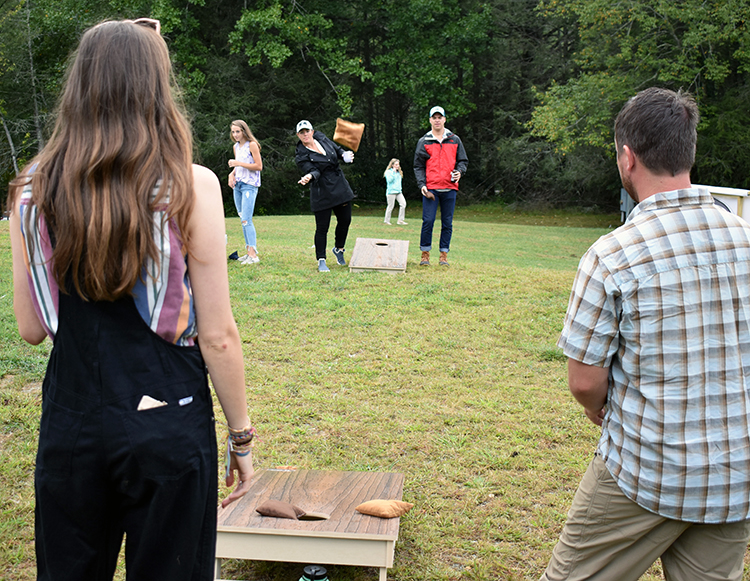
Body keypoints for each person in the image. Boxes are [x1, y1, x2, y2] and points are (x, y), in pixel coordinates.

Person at [8, 19, 255, 581]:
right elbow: (218, 335)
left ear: (79, 87)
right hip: (170, 419)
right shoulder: (191, 185)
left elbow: (30, 327)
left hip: (72, 421)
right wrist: (240, 437)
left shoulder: (30, 188)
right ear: (155, 88)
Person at [542, 87, 750, 581]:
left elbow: (584, 381)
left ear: (627, 158)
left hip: (645, 471)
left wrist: (596, 408)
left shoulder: (611, 255)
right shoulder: (746, 237)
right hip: (735, 478)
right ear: (688, 152)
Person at [295, 119, 355, 272]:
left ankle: (339, 249)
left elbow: (336, 149)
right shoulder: (301, 155)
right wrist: (309, 176)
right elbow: (314, 170)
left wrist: (344, 155)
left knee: (345, 220)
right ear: (298, 135)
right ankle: (321, 260)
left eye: (307, 131)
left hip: (339, 185)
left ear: (312, 131)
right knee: (322, 228)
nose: (305, 134)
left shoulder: (321, 137)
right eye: (301, 133)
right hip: (321, 190)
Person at [413, 105, 468, 267]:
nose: (437, 120)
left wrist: (459, 172)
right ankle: (425, 254)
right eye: (434, 117)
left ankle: (443, 255)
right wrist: (422, 184)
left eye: (440, 117)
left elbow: (463, 161)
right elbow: (418, 166)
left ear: (444, 119)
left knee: (447, 223)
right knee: (428, 221)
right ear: (430, 120)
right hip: (430, 189)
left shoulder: (454, 139)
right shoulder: (424, 141)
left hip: (449, 188)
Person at [228, 119, 263, 264]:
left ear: (244, 131)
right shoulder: (236, 147)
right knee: (243, 218)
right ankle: (248, 252)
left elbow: (258, 166)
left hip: (249, 185)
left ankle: (253, 255)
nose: (235, 134)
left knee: (247, 220)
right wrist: (232, 174)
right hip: (238, 185)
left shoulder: (252, 145)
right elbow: (238, 167)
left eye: (238, 131)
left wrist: (238, 163)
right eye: (233, 132)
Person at [383, 158, 407, 225]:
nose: (397, 166)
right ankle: (387, 221)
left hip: (399, 192)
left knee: (403, 204)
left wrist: (400, 189)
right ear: (392, 165)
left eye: (398, 164)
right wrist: (393, 172)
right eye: (396, 164)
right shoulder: (388, 172)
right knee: (391, 206)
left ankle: (400, 220)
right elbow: (389, 181)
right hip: (391, 192)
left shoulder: (399, 173)